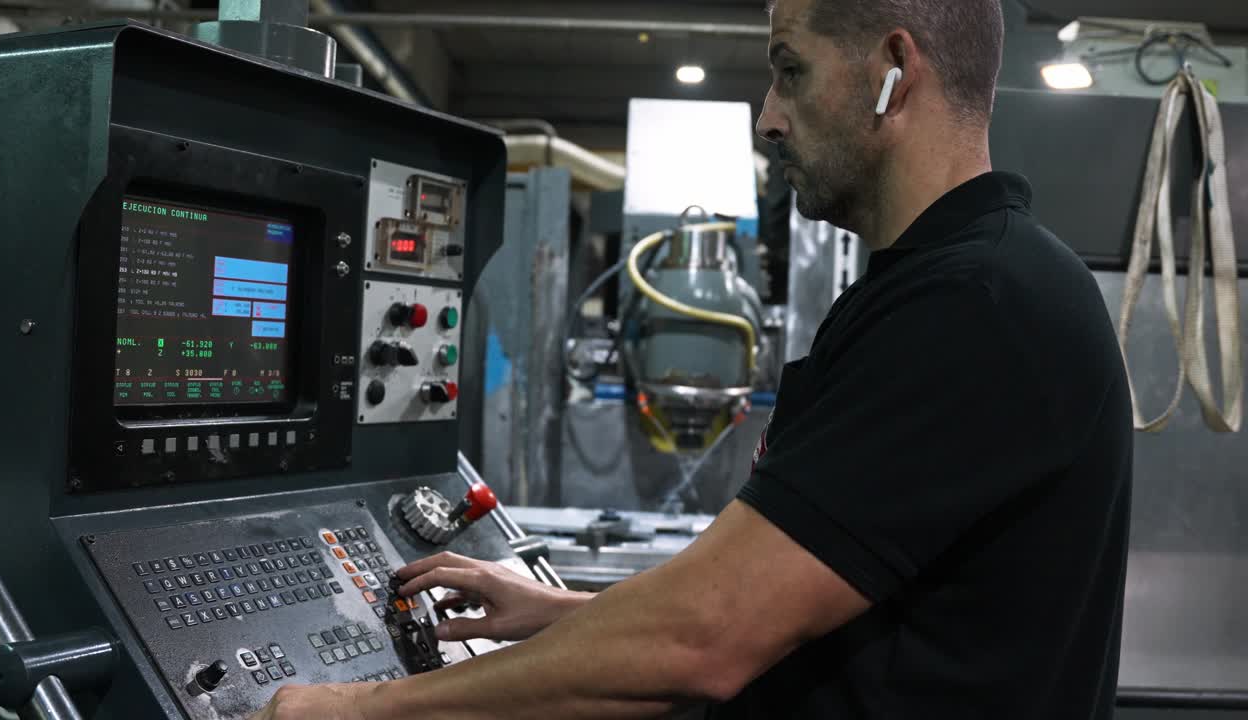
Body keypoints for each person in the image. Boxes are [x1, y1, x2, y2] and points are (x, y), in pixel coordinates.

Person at [252, 0, 1133, 717]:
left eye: (790, 70)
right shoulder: (959, 283)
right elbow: (809, 599)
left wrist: (364, 709)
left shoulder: (975, 303)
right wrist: (562, 612)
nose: (769, 115)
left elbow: (706, 639)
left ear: (891, 71)